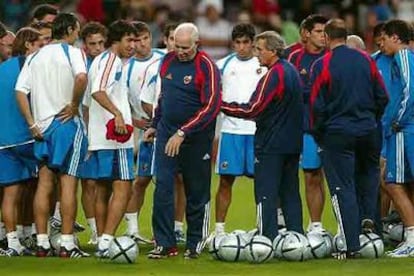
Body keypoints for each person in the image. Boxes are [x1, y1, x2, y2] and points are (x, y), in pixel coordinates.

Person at [309, 18, 388, 259]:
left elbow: (316, 106)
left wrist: (319, 133)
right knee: (369, 180)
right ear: (346, 35)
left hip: (338, 133)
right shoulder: (366, 60)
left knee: (343, 188)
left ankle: (351, 245)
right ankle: (373, 233)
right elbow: (382, 96)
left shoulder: (323, 65)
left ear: (326, 37)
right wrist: (370, 119)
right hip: (368, 131)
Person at [144, 22, 221, 259]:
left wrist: (183, 132)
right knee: (163, 188)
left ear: (197, 44)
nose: (181, 51)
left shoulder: (207, 66)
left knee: (196, 191)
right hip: (168, 134)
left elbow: (212, 106)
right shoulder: (166, 61)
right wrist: (155, 125)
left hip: (196, 138)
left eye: (186, 47)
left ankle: (195, 241)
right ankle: (165, 243)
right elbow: (163, 97)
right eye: (177, 46)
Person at [15, 13, 89, 258]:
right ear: (68, 30)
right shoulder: (73, 52)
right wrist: (75, 103)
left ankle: (42, 241)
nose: (78, 34)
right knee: (68, 183)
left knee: (45, 184)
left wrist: (31, 123)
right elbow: (81, 77)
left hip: (42, 128)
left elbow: (20, 90)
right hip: (66, 123)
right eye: (77, 30)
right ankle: (67, 242)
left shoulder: (35, 55)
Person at [221, 31, 304, 241]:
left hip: (271, 144)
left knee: (265, 192)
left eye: (260, 49)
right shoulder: (291, 71)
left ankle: (266, 238)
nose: (256, 54)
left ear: (273, 51)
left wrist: (220, 106)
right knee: (290, 193)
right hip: (292, 143)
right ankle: (296, 238)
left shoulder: (275, 74)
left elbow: (252, 109)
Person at [86, 19, 137, 258]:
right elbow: (98, 91)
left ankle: (102, 240)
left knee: (104, 188)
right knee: (124, 186)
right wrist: (118, 113)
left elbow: (89, 99)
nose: (133, 45)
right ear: (117, 40)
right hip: (115, 137)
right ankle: (107, 240)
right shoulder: (111, 60)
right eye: (129, 40)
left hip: (100, 135)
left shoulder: (99, 61)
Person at [212, 23, 266, 237]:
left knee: (262, 182)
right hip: (230, 132)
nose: (242, 47)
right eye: (238, 43)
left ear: (253, 43)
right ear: (232, 43)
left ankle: (264, 227)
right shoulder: (221, 65)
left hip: (256, 132)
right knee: (225, 181)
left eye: (246, 42)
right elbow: (214, 98)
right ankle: (219, 230)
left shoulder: (264, 65)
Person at [139, 22, 188, 244]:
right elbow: (148, 99)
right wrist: (160, 120)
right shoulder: (157, 65)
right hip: (161, 131)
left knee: (181, 180)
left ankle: (177, 228)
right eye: (170, 40)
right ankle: (143, 229)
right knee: (148, 180)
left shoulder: (193, 65)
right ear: (166, 41)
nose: (174, 45)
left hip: (185, 132)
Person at [0, 27, 42, 257]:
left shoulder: (1, 70)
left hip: (3, 141)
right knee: (46, 184)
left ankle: (13, 241)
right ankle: (37, 234)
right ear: (29, 45)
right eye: (39, 44)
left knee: (11, 192)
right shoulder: (29, 67)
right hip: (27, 136)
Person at [123, 21, 165, 245]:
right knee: (141, 180)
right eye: (135, 40)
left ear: (151, 37)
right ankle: (132, 229)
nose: (140, 44)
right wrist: (134, 120)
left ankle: (173, 229)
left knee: (171, 180)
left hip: (166, 127)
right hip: (144, 132)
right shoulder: (126, 67)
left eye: (144, 38)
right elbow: (119, 102)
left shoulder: (164, 57)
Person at [287, 14, 328, 234]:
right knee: (311, 175)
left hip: (330, 129)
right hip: (304, 128)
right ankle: (315, 225)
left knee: (338, 179)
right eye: (319, 32)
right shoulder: (293, 58)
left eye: (325, 32)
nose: (323, 36)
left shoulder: (332, 57)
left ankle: (345, 228)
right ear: (306, 34)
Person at [380, 19, 414, 258]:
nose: (382, 44)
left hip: (404, 130)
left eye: (384, 39)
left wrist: (396, 121)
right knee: (407, 185)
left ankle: (411, 238)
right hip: (404, 129)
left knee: (392, 183)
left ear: (395, 38)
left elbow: (410, 90)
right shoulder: (402, 58)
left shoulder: (403, 56)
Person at [78, 21, 108, 245]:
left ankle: (106, 230)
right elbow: (86, 106)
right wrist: (87, 135)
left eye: (100, 43)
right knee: (88, 183)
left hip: (108, 132)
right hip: (86, 131)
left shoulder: (111, 63)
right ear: (84, 45)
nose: (97, 48)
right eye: (92, 44)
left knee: (106, 183)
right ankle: (95, 232)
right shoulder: (80, 66)